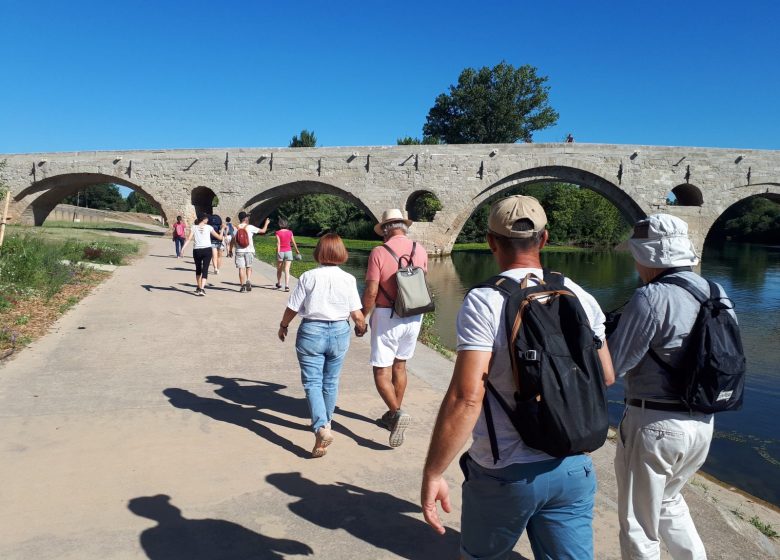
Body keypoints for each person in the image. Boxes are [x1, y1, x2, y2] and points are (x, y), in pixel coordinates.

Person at [420, 195, 615, 559]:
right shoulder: (579, 294)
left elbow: (467, 397)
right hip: (573, 464)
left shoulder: (484, 300)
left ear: (491, 241)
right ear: (544, 239)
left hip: (506, 470)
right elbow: (605, 375)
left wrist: (434, 471)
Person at [608, 214, 730, 560]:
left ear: (647, 256)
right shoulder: (717, 293)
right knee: (669, 503)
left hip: (656, 426)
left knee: (637, 522)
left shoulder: (652, 297)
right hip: (702, 424)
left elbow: (613, 368)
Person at [277, 233, 367, 458]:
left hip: (312, 331)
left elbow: (293, 307)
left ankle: (320, 427)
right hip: (339, 331)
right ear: (341, 252)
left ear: (319, 252)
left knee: (312, 382)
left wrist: (283, 325)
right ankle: (326, 425)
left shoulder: (308, 276)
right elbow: (356, 313)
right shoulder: (348, 279)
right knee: (331, 381)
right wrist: (361, 326)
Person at [361, 208, 428, 448]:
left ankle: (397, 412)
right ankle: (393, 416)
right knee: (400, 365)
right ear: (404, 227)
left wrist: (361, 317)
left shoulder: (379, 251)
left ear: (386, 230)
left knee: (381, 371)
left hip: (387, 314)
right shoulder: (419, 249)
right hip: (414, 314)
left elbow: (371, 291)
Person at [181, 212, 223, 296]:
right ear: (203, 219)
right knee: (205, 269)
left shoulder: (194, 227)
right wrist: (222, 230)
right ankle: (202, 289)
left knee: (198, 269)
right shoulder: (209, 227)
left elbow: (189, 239)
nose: (208, 219)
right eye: (207, 218)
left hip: (197, 250)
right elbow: (220, 238)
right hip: (207, 250)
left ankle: (199, 287)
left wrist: (182, 249)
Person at [233, 212, 270, 293]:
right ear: (245, 219)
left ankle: (242, 286)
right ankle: (248, 280)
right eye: (247, 217)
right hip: (249, 250)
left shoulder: (235, 228)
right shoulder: (250, 227)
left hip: (239, 251)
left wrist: (230, 250)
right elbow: (263, 231)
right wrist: (266, 223)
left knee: (241, 268)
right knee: (248, 267)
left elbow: (234, 240)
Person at [275, 218, 300, 291]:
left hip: (281, 252)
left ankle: (279, 283)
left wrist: (278, 252)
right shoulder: (290, 232)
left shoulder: (277, 232)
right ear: (286, 224)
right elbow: (293, 242)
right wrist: (297, 250)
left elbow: (278, 243)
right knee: (287, 269)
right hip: (288, 251)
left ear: (280, 224)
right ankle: (287, 286)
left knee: (279, 269)